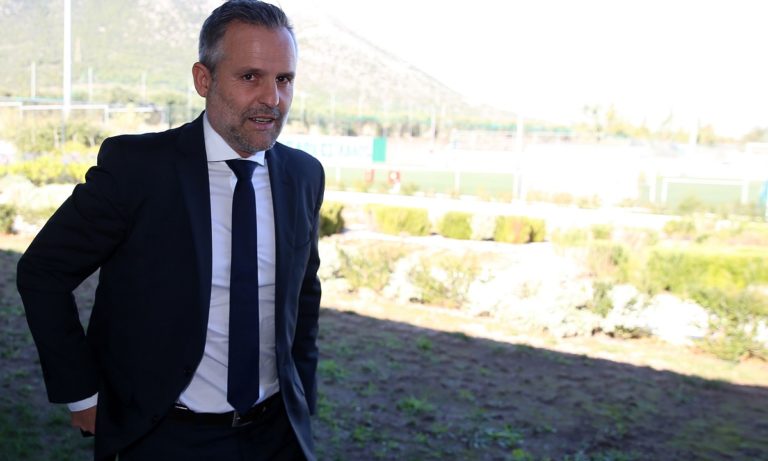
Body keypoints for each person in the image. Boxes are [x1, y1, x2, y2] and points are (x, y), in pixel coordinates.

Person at [16, 1, 323, 460]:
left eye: (284, 79)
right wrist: (81, 394)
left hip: (276, 436)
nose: (272, 98)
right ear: (204, 80)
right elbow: (43, 272)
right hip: (163, 436)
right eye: (250, 76)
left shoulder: (304, 175)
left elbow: (304, 296)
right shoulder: (138, 170)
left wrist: (302, 397)